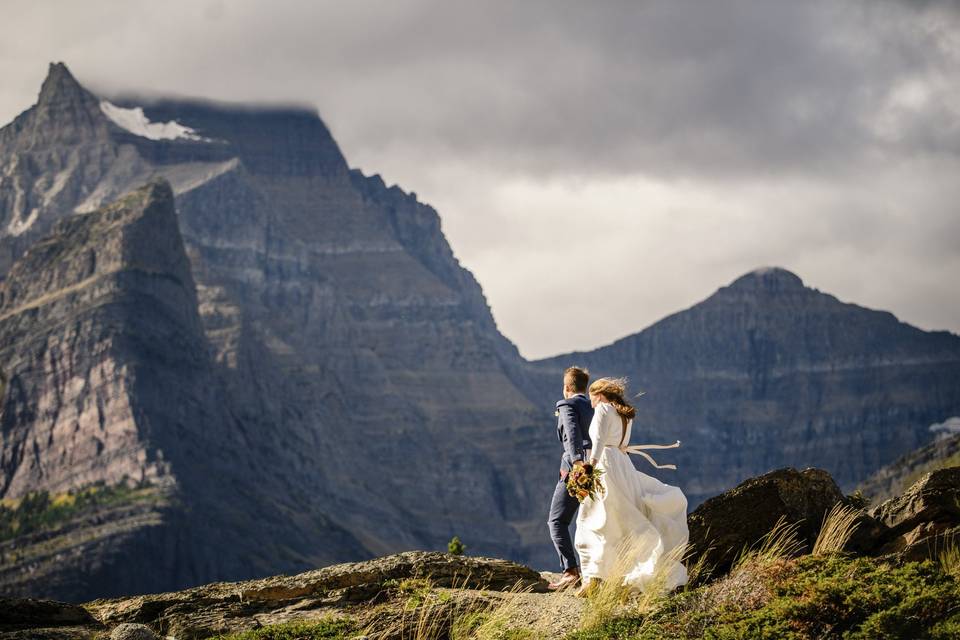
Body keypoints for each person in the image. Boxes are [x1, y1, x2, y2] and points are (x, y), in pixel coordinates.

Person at [575, 377, 688, 595]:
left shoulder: (603, 410)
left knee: (592, 519)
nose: (590, 403)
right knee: (621, 520)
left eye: (591, 398)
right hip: (623, 466)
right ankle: (613, 576)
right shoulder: (625, 415)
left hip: (606, 464)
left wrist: (589, 468)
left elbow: (598, 442)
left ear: (599, 395)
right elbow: (623, 445)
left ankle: (594, 579)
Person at [546, 366, 594, 591]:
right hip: (598, 467)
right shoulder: (594, 406)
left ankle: (570, 572)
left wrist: (576, 463)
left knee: (557, 520)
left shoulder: (567, 405)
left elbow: (572, 434)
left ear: (567, 387)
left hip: (575, 471)